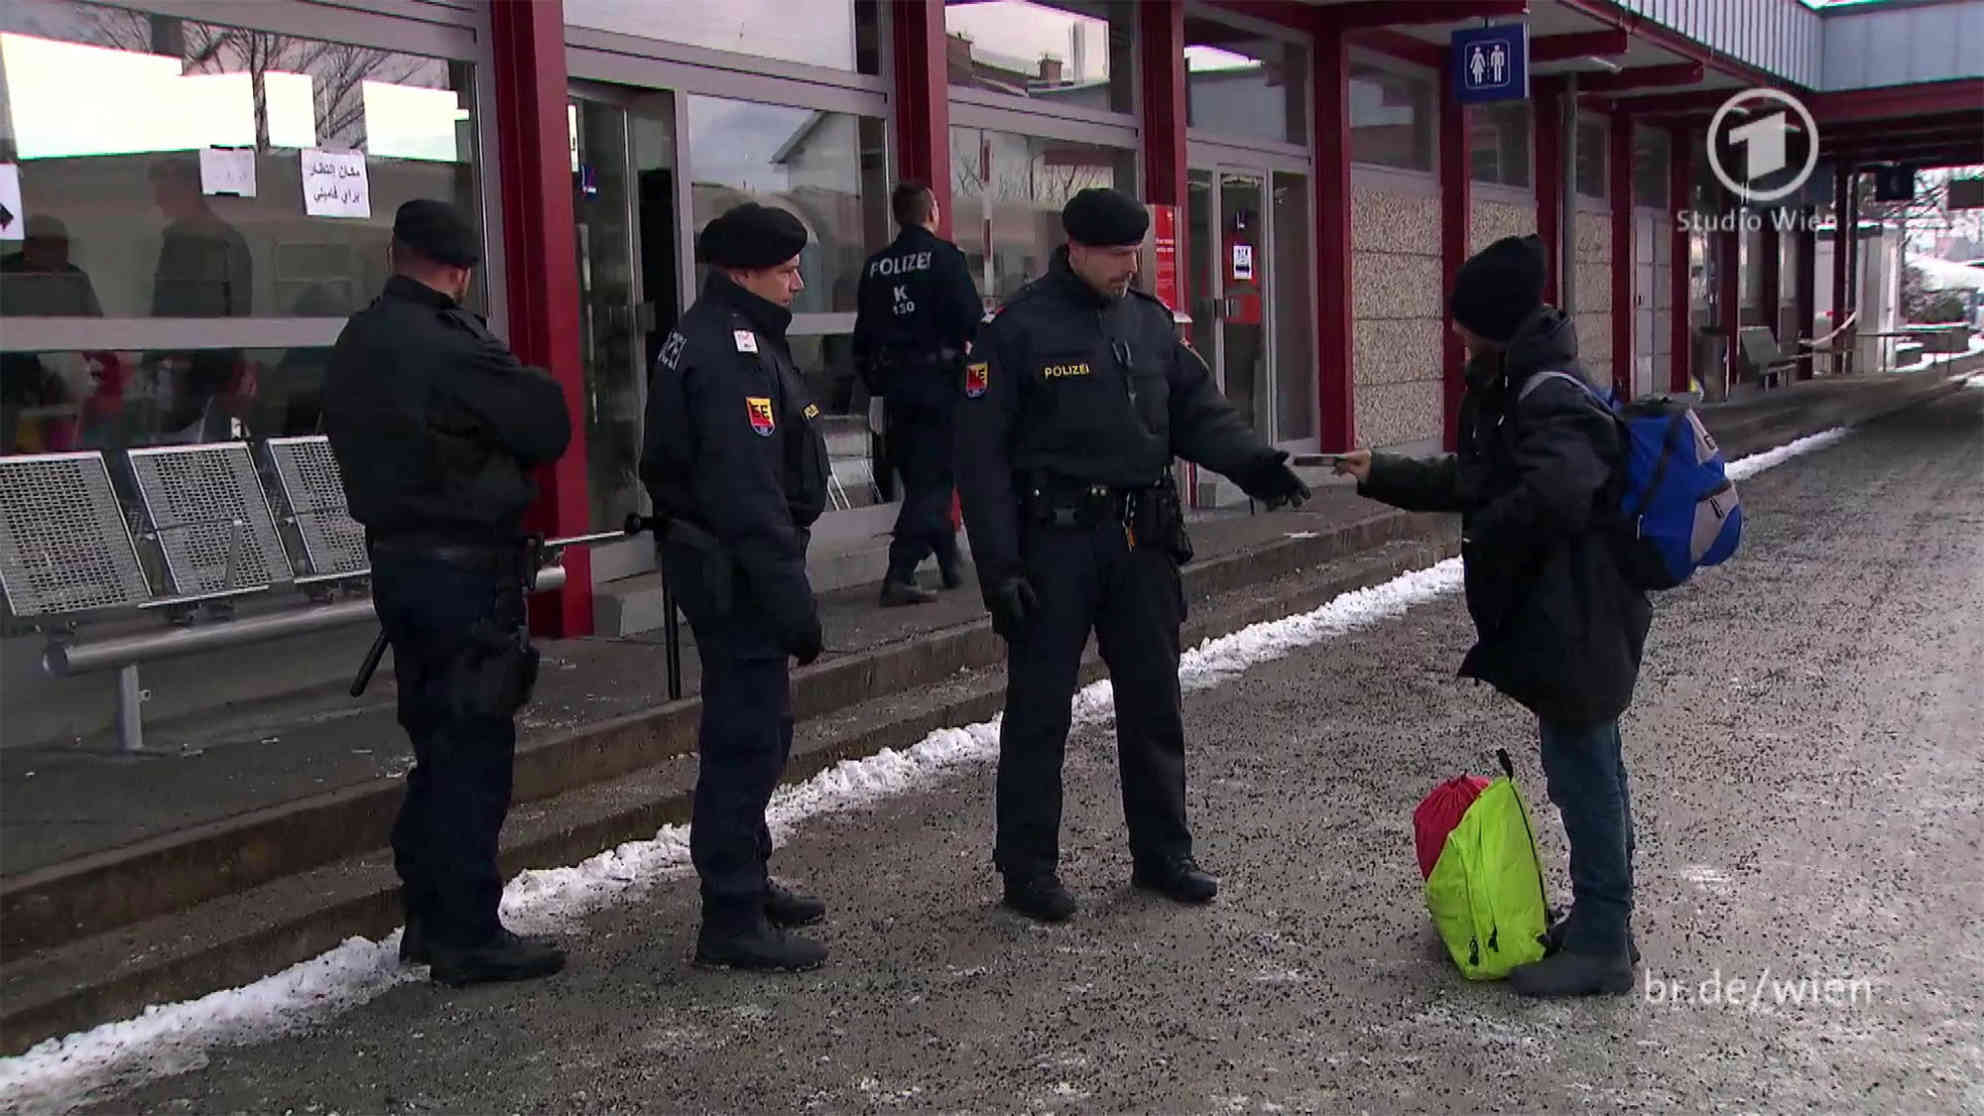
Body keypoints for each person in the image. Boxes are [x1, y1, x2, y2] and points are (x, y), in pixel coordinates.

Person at [956, 187, 1312, 922]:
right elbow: (981, 460)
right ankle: (1027, 868)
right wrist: (999, 568)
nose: (1131, 267)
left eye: (1136, 253)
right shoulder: (1019, 331)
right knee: (1039, 710)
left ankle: (1163, 854)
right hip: (1055, 545)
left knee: (1153, 701)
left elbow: (1199, 413)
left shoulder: (1149, 324)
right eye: (1118, 255)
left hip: (1140, 541)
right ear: (1077, 249)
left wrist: (1256, 465)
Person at [1332, 234, 1651, 998]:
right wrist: (1386, 473)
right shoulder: (1522, 383)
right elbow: (1480, 478)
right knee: (1590, 767)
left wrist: (1487, 536)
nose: (1455, 332)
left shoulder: (1546, 394)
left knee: (1584, 774)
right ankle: (1604, 920)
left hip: (1580, 616)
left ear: (1494, 323)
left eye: (1464, 320)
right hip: (1567, 612)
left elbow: (1554, 494)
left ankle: (1604, 941)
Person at [323, 199, 573, 987]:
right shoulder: (454, 346)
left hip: (399, 567)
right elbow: (547, 424)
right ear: (461, 271)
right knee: (472, 749)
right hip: (465, 570)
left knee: (435, 741)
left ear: (394, 253)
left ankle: (429, 918)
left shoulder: (359, 339)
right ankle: (467, 933)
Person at [640, 203, 832, 972]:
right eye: (786, 270)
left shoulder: (726, 332)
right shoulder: (728, 353)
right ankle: (731, 913)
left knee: (759, 730)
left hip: (729, 565)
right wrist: (795, 604)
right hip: (736, 571)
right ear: (745, 271)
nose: (797, 283)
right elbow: (748, 496)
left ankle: (747, 876)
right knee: (746, 741)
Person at [853, 180, 984, 606]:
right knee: (935, 480)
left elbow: (862, 335)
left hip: (896, 389)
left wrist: (877, 383)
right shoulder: (945, 258)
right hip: (938, 385)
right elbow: (970, 319)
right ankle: (900, 571)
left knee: (921, 477)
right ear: (931, 213)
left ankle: (948, 559)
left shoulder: (876, 266)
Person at [150, 156, 254, 441]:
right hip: (185, 372)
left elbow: (228, 313)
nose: (158, 202)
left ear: (188, 189)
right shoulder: (178, 239)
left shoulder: (217, 242)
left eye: (164, 192)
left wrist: (177, 358)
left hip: (204, 375)